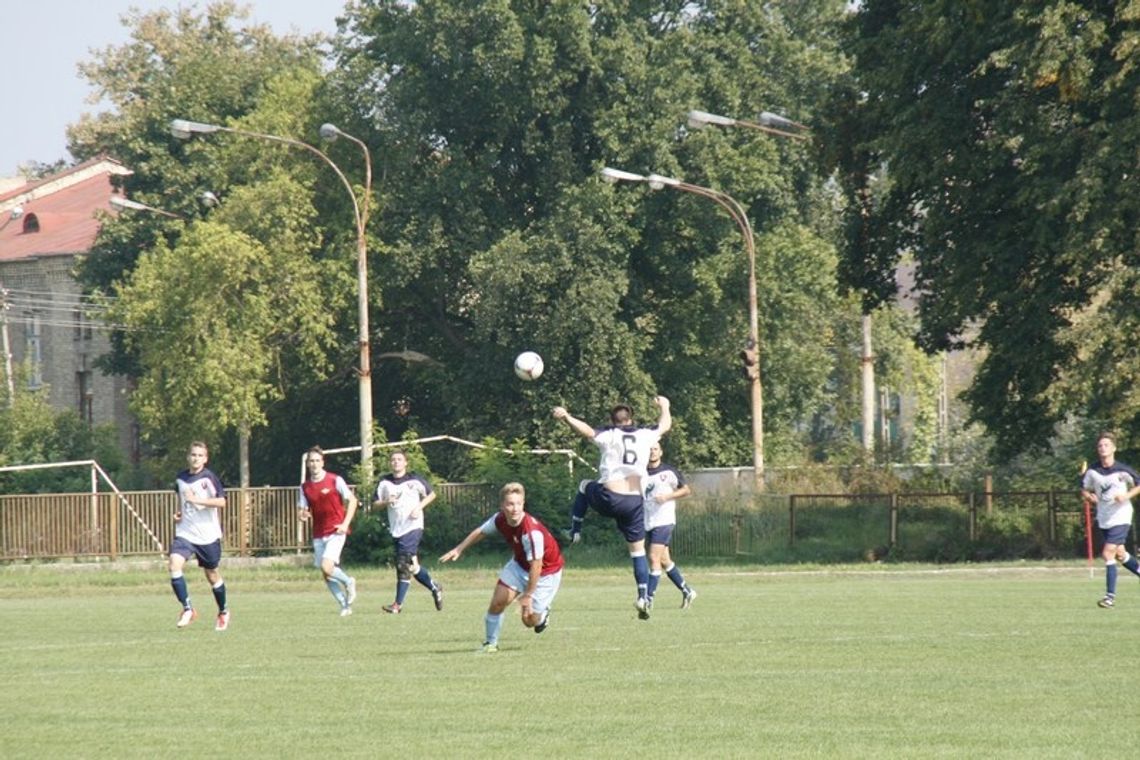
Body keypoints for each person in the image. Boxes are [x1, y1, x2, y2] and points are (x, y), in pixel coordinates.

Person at [553, 396, 671, 619]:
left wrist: (566, 417)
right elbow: (665, 425)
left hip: (611, 496)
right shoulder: (645, 435)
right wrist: (665, 405)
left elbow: (587, 431)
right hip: (635, 502)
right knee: (637, 552)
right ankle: (643, 597)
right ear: (631, 419)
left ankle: (575, 530)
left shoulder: (609, 435)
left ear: (612, 420)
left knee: (584, 485)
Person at [440, 482, 564, 653]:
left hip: (545, 573)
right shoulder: (500, 519)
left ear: (523, 504)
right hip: (519, 566)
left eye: (519, 504)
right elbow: (481, 531)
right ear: (502, 505)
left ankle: (542, 615)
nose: (515, 508)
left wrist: (528, 595)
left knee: (529, 621)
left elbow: (537, 565)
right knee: (498, 603)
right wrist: (459, 548)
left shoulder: (531, 532)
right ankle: (490, 644)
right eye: (510, 504)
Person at [169, 441, 230, 631]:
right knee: (174, 564)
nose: (195, 458)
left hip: (208, 536)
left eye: (199, 455)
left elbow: (222, 502)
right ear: (188, 456)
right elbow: (182, 501)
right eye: (193, 455)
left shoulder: (208, 478)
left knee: (212, 575)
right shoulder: (180, 478)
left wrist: (199, 500)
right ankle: (188, 609)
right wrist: (178, 513)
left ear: (205, 458)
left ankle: (223, 611)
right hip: (186, 533)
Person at [372, 450, 443, 614]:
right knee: (412, 567)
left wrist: (419, 507)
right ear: (390, 463)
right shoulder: (384, 482)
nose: (396, 462)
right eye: (393, 460)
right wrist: (385, 502)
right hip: (397, 529)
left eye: (399, 459)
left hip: (413, 526)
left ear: (405, 463)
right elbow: (375, 504)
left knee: (402, 563)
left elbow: (432, 494)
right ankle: (435, 587)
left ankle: (398, 605)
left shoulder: (414, 479)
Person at [298, 446, 359, 616]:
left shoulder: (334, 480)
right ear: (308, 463)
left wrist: (345, 524)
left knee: (327, 566)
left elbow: (352, 501)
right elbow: (303, 510)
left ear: (322, 462)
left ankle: (348, 582)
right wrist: (303, 515)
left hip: (336, 531)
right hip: (318, 533)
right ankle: (344, 606)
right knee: (326, 574)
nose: (314, 464)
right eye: (311, 461)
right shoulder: (305, 487)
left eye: (317, 460)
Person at [1081, 431, 1140, 608]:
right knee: (1120, 554)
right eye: (1100, 445)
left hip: (1121, 516)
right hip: (1104, 517)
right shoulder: (1092, 471)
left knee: (1108, 553)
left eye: (1106, 445)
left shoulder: (1122, 470)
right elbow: (1083, 489)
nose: (1103, 448)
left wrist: (1127, 495)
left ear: (1114, 448)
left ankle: (1109, 597)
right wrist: (1088, 497)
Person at [644, 441, 696, 610]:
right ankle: (687, 591)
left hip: (664, 520)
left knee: (653, 558)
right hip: (648, 521)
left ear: (661, 452)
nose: (652, 452)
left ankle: (648, 598)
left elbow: (686, 490)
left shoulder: (669, 471)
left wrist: (667, 497)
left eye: (655, 449)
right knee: (665, 560)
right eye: (649, 449)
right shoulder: (640, 472)